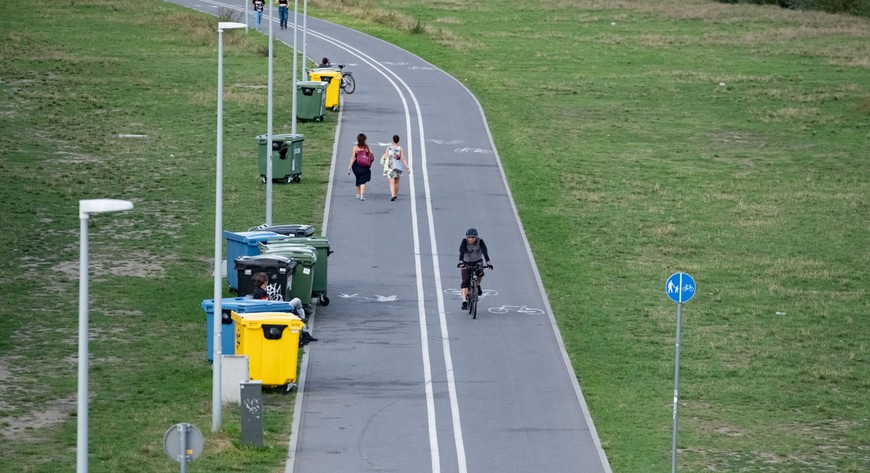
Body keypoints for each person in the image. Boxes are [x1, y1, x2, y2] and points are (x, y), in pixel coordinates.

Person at [457, 228, 493, 310]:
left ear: (476, 237)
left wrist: (488, 262)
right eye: (469, 237)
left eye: (473, 237)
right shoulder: (464, 241)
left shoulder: (480, 241)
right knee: (465, 281)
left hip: (477, 261)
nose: (471, 239)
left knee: (480, 272)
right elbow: (461, 251)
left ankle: (478, 285)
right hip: (466, 262)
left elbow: (484, 251)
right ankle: (464, 301)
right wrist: (460, 262)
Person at [381, 134, 411, 201]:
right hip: (398, 167)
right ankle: (395, 194)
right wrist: (407, 167)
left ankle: (392, 195)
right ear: (398, 141)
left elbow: (385, 157)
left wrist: (384, 160)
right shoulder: (400, 148)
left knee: (391, 181)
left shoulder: (389, 148)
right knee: (397, 181)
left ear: (392, 140)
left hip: (391, 167)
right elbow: (403, 158)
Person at [347, 133, 374, 201]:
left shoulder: (355, 147)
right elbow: (371, 157)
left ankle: (358, 194)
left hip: (356, 166)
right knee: (363, 181)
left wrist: (349, 168)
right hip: (364, 167)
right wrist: (369, 164)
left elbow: (353, 158)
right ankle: (362, 195)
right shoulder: (367, 147)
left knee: (358, 178)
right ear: (365, 139)